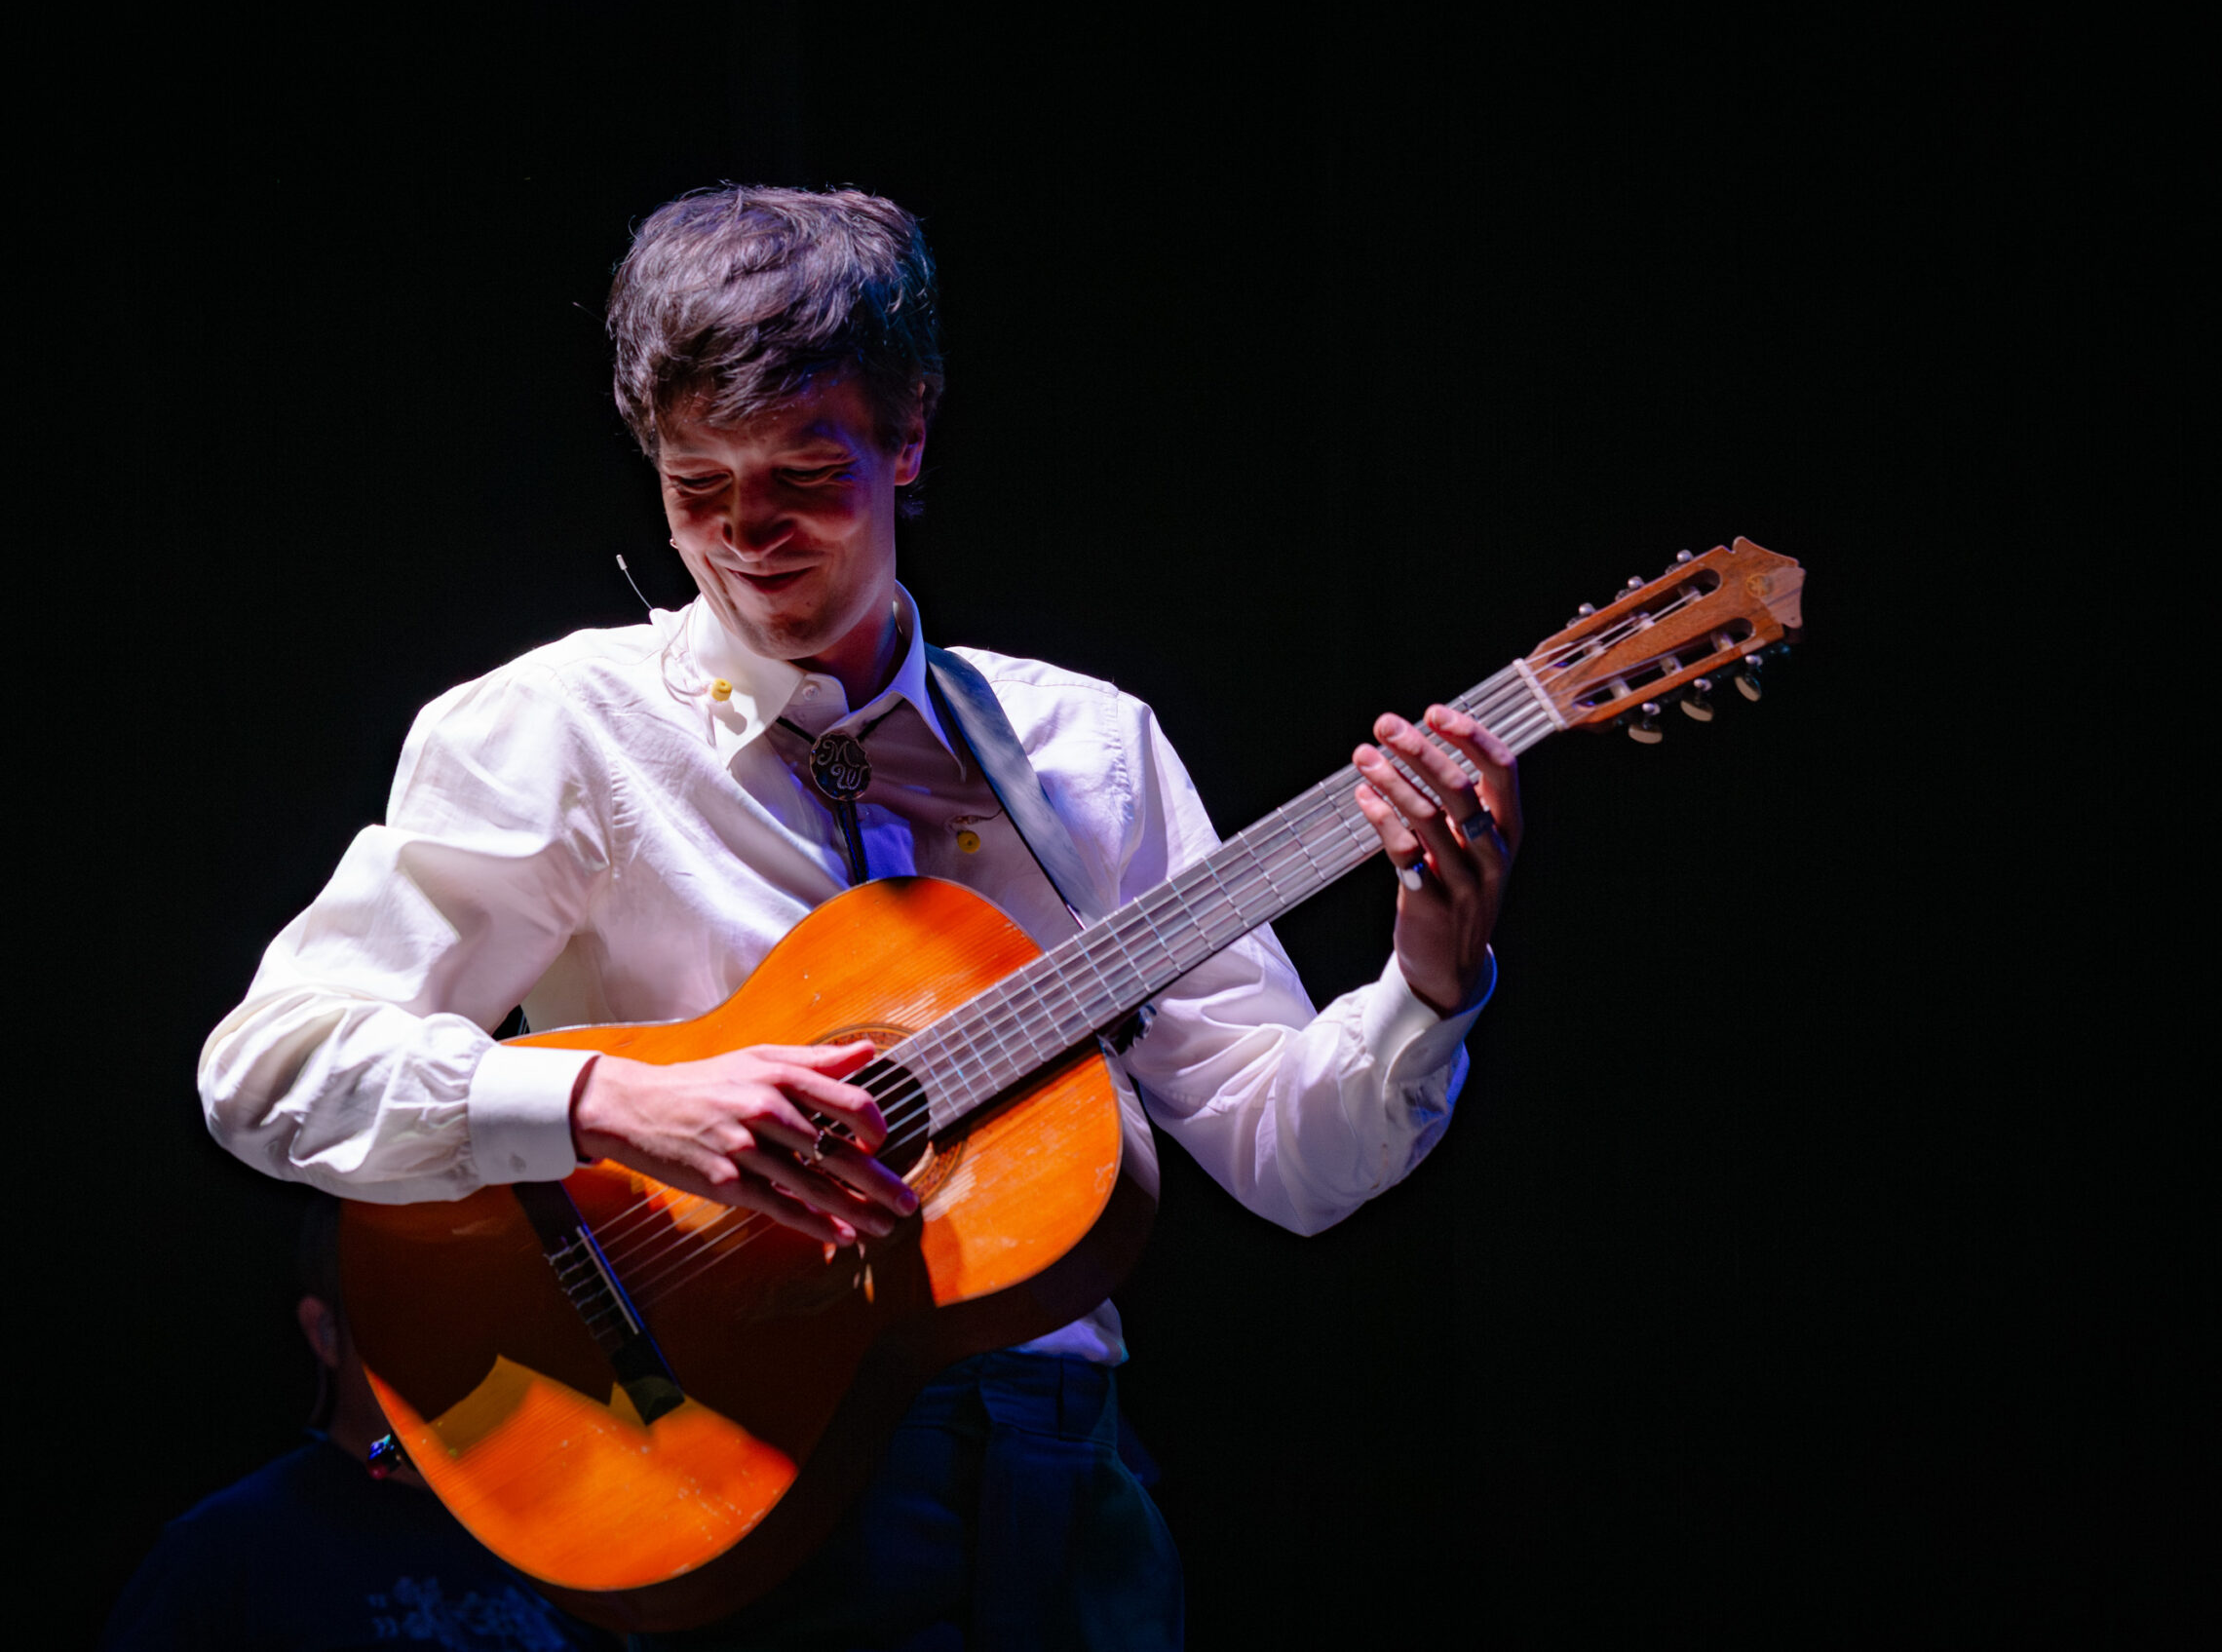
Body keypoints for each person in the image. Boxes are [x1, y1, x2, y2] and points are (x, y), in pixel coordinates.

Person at [200, 185, 1520, 1649]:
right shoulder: (557, 730)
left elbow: (1291, 1161)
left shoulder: (1084, 751)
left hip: (1066, 1483)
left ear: (911, 435)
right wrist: (615, 1102)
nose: (744, 533)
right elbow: (265, 1073)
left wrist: (1428, 978)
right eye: (696, 483)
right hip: (743, 1473)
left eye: (804, 473)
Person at [102, 1199, 620, 1650]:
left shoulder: (562, 1549)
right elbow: (379, 1459)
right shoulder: (227, 1550)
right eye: (412, 1313)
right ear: (326, 1332)